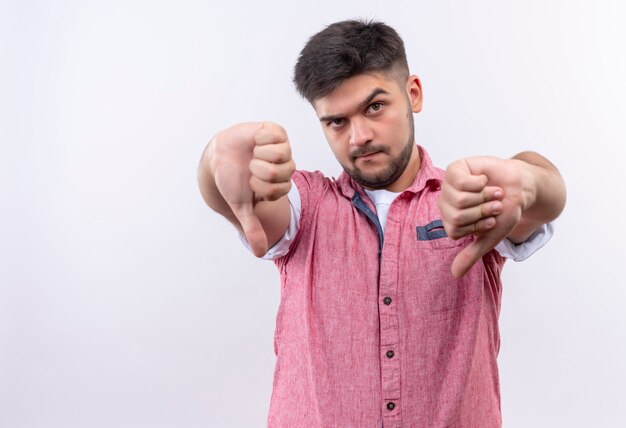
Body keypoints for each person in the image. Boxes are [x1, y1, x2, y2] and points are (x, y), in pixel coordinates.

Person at [198, 19, 566, 428]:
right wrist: (213, 164)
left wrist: (531, 181)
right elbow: (245, 200)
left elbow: (543, 194)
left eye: (375, 107)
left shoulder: (469, 200)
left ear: (413, 94)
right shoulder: (307, 206)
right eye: (336, 121)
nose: (359, 137)